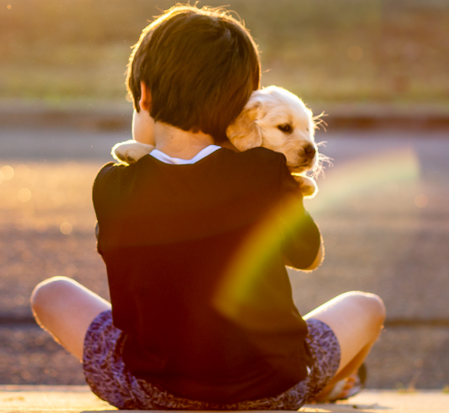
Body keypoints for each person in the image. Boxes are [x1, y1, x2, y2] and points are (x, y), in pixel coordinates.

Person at [30, 5, 384, 410]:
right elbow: (308, 256)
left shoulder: (112, 185)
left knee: (51, 294)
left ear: (143, 94)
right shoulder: (265, 175)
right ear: (242, 105)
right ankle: (327, 386)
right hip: (273, 389)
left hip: (155, 388)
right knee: (367, 307)